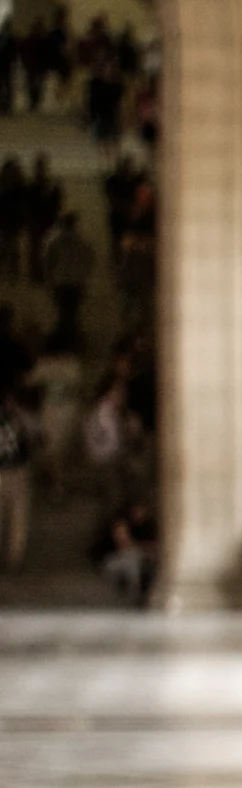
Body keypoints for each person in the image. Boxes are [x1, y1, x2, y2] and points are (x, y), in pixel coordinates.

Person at [41, 217, 95, 353]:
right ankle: (71, 337)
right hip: (75, 283)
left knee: (64, 311)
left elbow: (47, 260)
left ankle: (66, 337)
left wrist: (49, 278)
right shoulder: (81, 241)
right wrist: (83, 275)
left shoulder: (55, 241)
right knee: (72, 312)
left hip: (61, 282)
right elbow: (89, 258)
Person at [0, 385, 35, 572]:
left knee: (16, 514)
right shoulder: (19, 418)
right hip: (14, 468)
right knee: (17, 515)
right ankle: (14, 557)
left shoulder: (19, 417)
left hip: (14, 469)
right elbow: (32, 439)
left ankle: (14, 557)